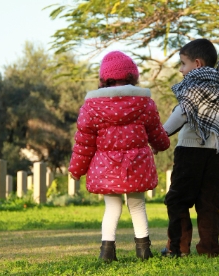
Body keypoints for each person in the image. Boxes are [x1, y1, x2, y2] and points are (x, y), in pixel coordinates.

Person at [68, 51, 170, 262]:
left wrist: (76, 170)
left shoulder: (92, 106)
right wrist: (162, 144)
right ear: (133, 76)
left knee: (112, 208)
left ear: (104, 78)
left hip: (107, 168)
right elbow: (156, 131)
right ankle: (143, 250)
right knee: (137, 206)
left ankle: (107, 251)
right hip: (137, 164)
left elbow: (84, 142)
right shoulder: (144, 102)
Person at [160, 39, 219, 257]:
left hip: (190, 151)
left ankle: (177, 248)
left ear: (197, 64)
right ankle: (209, 249)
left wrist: (159, 136)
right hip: (215, 155)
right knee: (209, 203)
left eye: (183, 64)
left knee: (177, 199)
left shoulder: (194, 86)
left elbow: (183, 113)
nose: (181, 70)